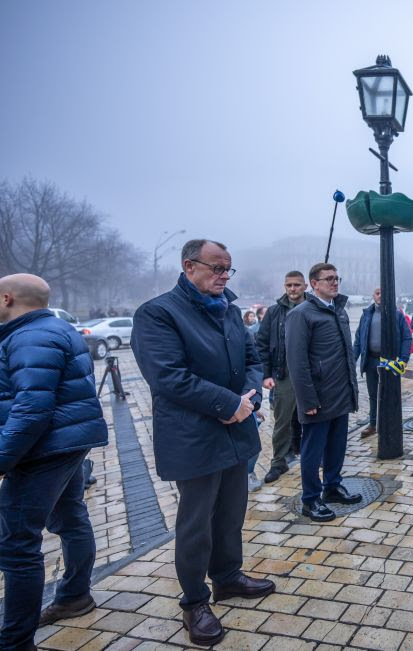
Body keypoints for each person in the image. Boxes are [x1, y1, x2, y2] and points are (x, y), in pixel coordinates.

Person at [132, 240, 274, 646]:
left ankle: (228, 577)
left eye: (229, 269)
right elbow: (168, 376)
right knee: (196, 524)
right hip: (193, 437)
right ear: (189, 266)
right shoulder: (158, 313)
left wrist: (250, 400)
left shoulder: (228, 310)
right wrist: (228, 404)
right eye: (217, 268)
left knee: (231, 513)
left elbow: (253, 361)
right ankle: (195, 600)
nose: (224, 276)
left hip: (236, 432)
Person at [0, 274, 108, 647]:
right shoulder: (55, 329)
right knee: (71, 518)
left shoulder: (31, 336)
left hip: (42, 451)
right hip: (65, 444)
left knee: (17, 547)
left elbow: (31, 409)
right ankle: (75, 595)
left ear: (8, 298)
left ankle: (15, 641)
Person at [286, 262, 363, 523]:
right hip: (317, 398)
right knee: (312, 450)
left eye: (337, 278)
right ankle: (310, 499)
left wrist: (352, 391)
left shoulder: (338, 311)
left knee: (337, 446)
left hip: (340, 394)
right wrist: (307, 400)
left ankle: (332, 486)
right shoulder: (301, 314)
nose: (334, 282)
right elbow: (297, 362)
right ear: (314, 284)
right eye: (328, 279)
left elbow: (346, 355)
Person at [255, 271, 307, 485]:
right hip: (283, 374)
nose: (292, 289)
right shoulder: (275, 312)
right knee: (282, 421)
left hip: (310, 374)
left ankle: (316, 454)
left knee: (315, 419)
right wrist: (265, 374)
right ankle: (279, 461)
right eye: (289, 285)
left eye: (296, 285)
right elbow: (262, 343)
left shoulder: (314, 308)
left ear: (305, 286)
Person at [354, 287, 413, 439]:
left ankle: (392, 423)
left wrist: (404, 359)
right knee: (373, 395)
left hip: (390, 363)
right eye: (377, 293)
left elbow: (407, 337)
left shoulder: (397, 315)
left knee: (391, 394)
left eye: (383, 292)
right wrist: (352, 359)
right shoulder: (367, 314)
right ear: (373, 296)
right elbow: (359, 339)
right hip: (371, 361)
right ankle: (373, 424)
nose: (380, 296)